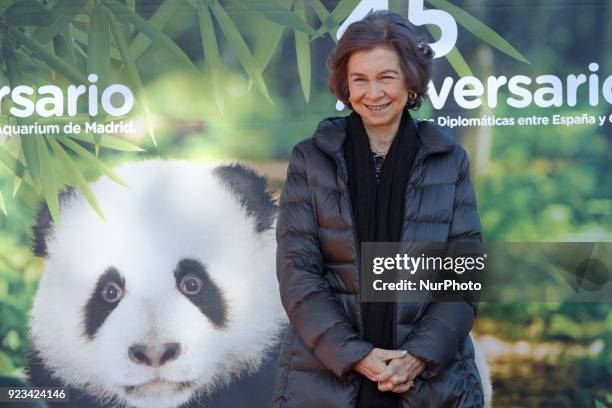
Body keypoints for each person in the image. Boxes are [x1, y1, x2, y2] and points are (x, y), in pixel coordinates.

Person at [273, 10, 484, 408]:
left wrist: (418, 358)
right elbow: (298, 274)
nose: (374, 93)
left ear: (410, 80)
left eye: (386, 77)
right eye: (360, 80)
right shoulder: (310, 159)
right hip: (326, 378)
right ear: (345, 87)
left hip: (429, 381)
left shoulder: (448, 158)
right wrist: (356, 355)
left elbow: (462, 276)